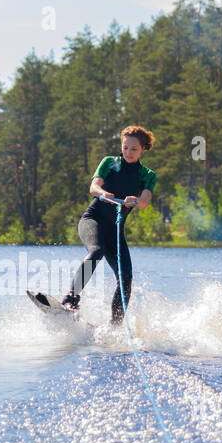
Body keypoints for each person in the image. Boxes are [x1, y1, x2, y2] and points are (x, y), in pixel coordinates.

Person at [61, 125, 157, 324]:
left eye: (134, 149)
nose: (128, 153)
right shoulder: (110, 163)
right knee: (96, 251)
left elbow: (145, 201)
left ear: (142, 150)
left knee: (126, 278)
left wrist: (136, 200)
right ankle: (70, 300)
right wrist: (102, 192)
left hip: (115, 230)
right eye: (125, 148)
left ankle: (115, 326)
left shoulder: (147, 175)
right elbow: (93, 186)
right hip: (93, 219)